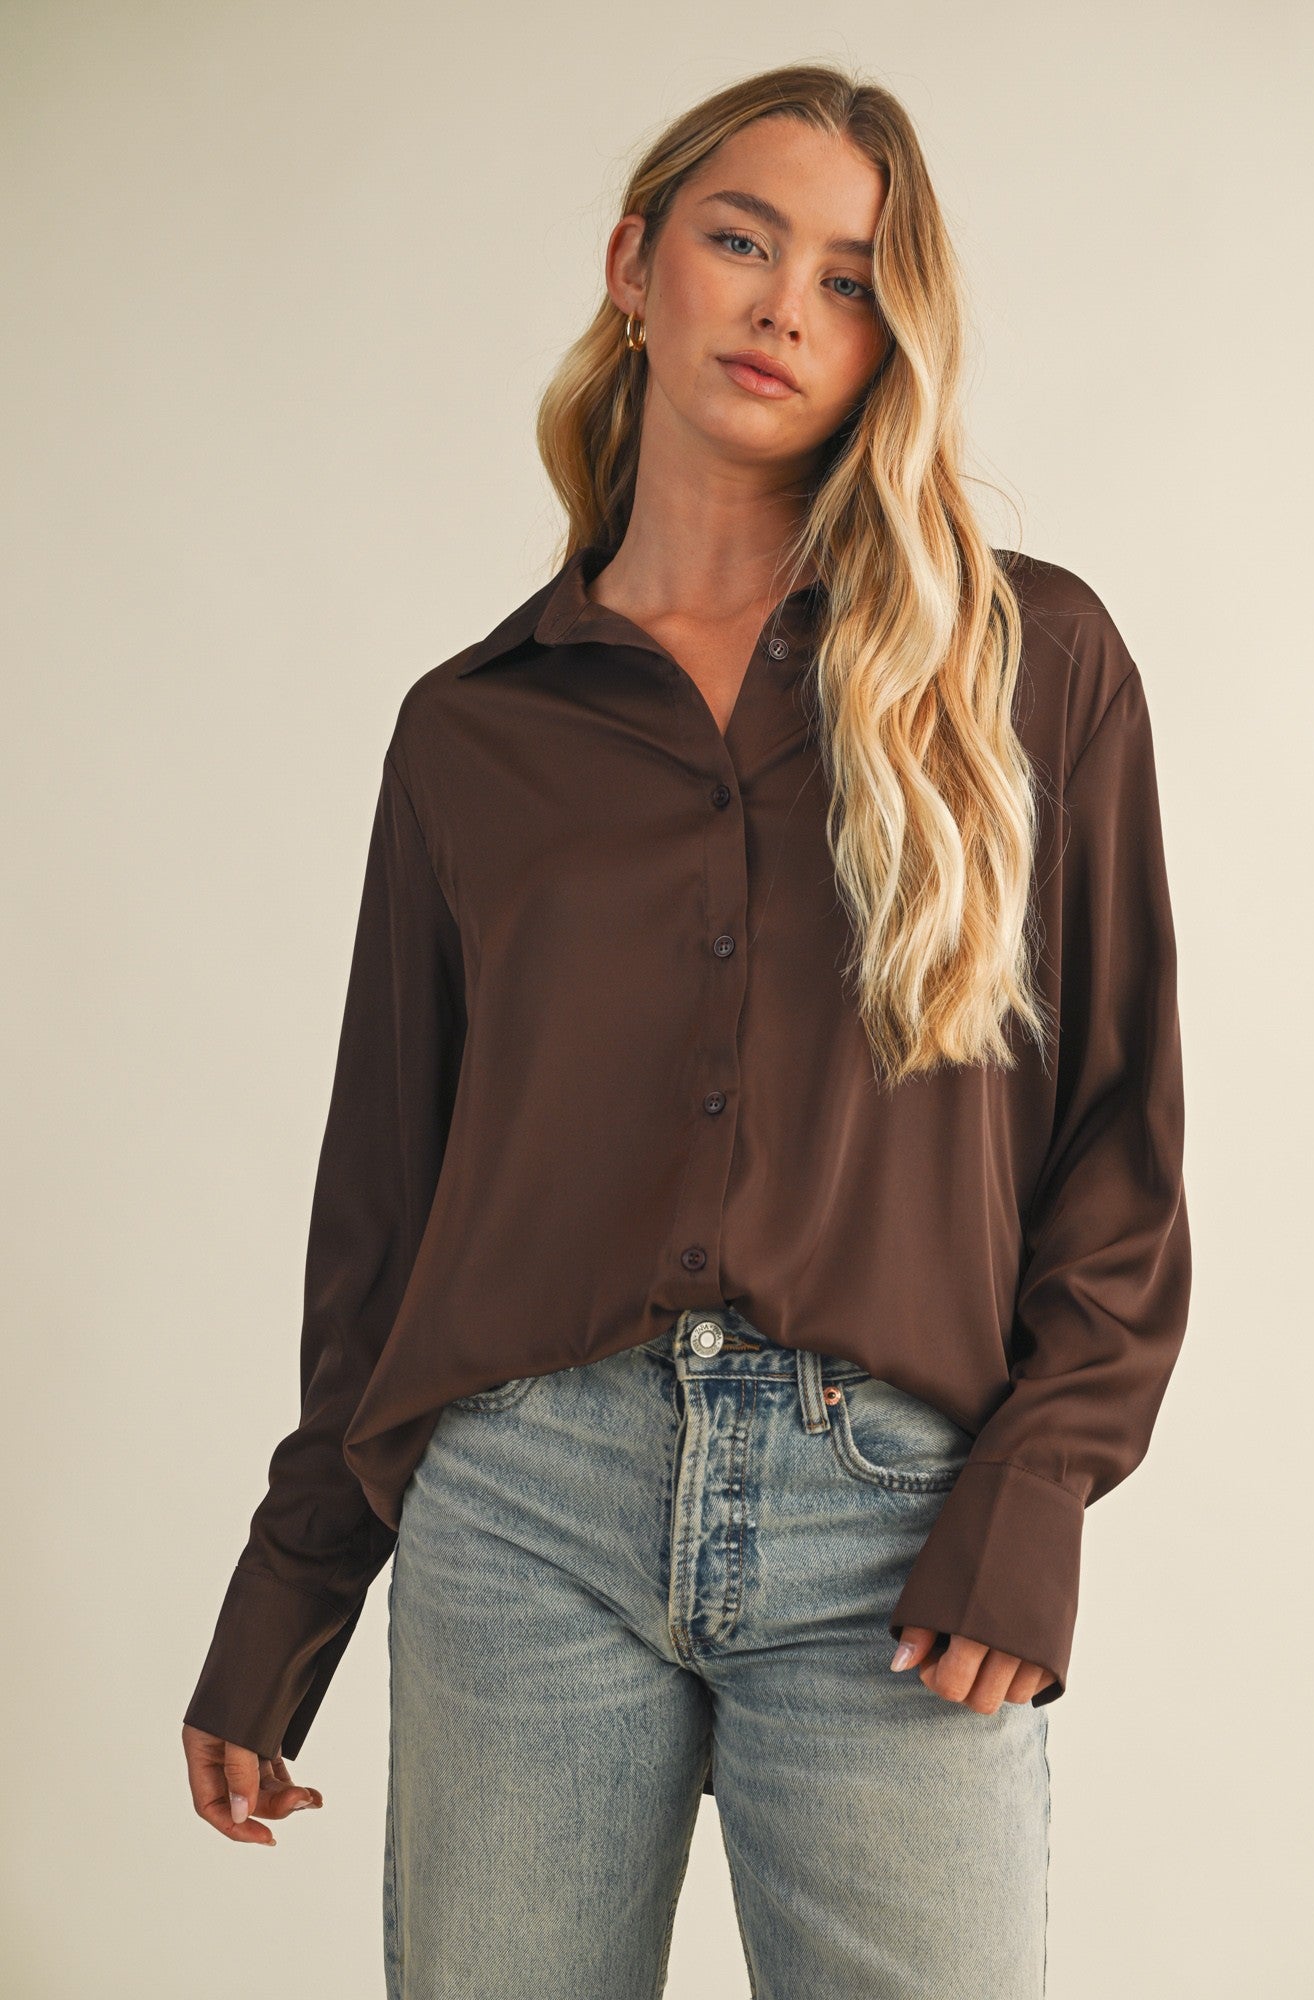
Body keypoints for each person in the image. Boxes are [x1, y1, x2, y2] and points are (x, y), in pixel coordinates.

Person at [181, 60, 1190, 2000]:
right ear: (637, 262)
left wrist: (1037, 1484)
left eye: (852, 274)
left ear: (893, 337)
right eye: (743, 237)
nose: (785, 302)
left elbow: (1118, 1142)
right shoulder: (472, 730)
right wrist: (290, 1586)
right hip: (519, 1512)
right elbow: (387, 1198)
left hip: (901, 1523)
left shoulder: (1025, 663)